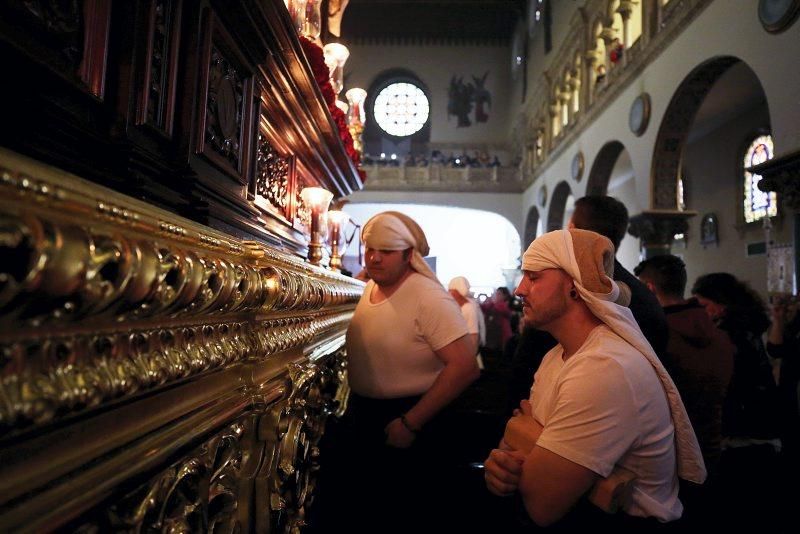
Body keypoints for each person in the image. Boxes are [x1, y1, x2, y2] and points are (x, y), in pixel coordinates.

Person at [484, 229, 705, 530]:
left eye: (534, 277)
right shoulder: (556, 356)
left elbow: (542, 504)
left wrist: (526, 433)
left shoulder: (605, 368)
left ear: (575, 287)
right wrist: (502, 465)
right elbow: (510, 444)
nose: (520, 289)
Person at [315, 211, 480, 532]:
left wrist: (411, 422)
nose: (374, 258)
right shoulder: (369, 289)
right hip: (367, 415)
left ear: (408, 255)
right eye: (370, 250)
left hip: (413, 418)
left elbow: (464, 367)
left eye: (386, 252)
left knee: (405, 513)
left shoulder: (428, 296)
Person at [508, 195, 670, 411]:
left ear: (572, 233)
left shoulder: (559, 302)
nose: (521, 290)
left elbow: (521, 380)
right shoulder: (646, 298)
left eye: (534, 277)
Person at [635, 255, 735, 529]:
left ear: (651, 289)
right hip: (713, 448)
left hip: (670, 462)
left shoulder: (656, 336)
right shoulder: (719, 334)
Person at [691, 272, 783, 530]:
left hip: (743, 433)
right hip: (764, 430)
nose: (701, 313)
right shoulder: (747, 329)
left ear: (721, 305)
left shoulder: (726, 336)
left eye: (704, 305)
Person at [448, 275, 486, 368]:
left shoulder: (468, 308)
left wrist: (468, 361)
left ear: (458, 292)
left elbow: (474, 336)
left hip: (466, 359)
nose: (449, 293)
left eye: (451, 291)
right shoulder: (461, 306)